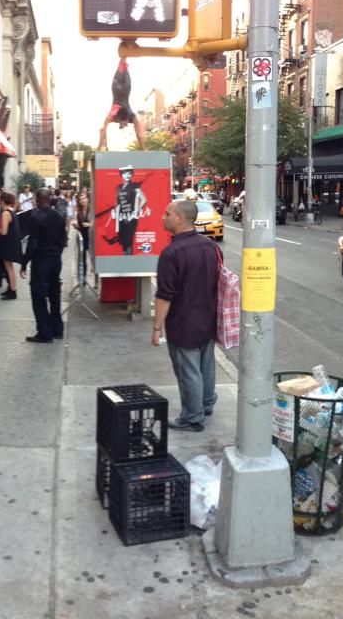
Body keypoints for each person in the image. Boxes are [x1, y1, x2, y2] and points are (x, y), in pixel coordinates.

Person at [155, 200, 222, 432]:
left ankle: (193, 417)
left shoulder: (171, 253)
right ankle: (206, 404)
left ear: (180, 218)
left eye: (167, 213)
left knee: (188, 371)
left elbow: (164, 296)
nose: (163, 217)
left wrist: (156, 328)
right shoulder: (211, 247)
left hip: (183, 323)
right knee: (206, 366)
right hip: (208, 318)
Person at [24, 190, 68, 343]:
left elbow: (33, 243)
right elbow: (63, 240)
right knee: (54, 293)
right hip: (55, 259)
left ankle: (44, 331)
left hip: (41, 260)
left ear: (37, 200)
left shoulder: (36, 217)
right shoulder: (59, 217)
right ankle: (57, 329)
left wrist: (25, 262)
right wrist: (57, 254)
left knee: (39, 295)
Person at [98, 51, 147, 151]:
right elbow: (138, 133)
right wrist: (144, 148)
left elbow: (103, 129)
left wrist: (99, 147)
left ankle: (124, 54)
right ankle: (124, 54)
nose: (124, 124)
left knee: (121, 67)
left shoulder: (114, 115)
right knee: (123, 66)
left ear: (120, 123)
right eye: (124, 125)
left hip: (117, 87)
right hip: (125, 88)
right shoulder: (130, 116)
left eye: (122, 125)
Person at [99, 166, 149, 255]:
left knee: (128, 241)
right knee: (123, 242)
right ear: (121, 175)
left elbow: (144, 199)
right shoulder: (119, 187)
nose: (128, 175)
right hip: (121, 217)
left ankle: (129, 260)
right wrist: (115, 212)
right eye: (125, 173)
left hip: (131, 217)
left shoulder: (135, 186)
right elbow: (117, 202)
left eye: (130, 173)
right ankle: (124, 258)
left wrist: (137, 210)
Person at [0, 192, 22, 299]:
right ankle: (11, 289)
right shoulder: (12, 210)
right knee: (9, 268)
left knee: (9, 268)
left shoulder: (5, 213)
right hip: (12, 242)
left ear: (2, 201)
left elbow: (4, 232)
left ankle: (13, 291)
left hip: (8, 243)